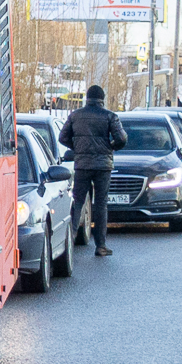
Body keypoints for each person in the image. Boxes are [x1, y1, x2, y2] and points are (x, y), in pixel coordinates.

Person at [57, 82, 127, 257]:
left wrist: (78, 147)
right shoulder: (110, 116)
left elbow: (62, 137)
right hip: (103, 166)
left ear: (87, 98)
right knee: (101, 204)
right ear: (102, 99)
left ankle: (70, 239)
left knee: (78, 201)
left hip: (82, 164)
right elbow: (122, 138)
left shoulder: (75, 116)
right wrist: (110, 147)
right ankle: (101, 245)